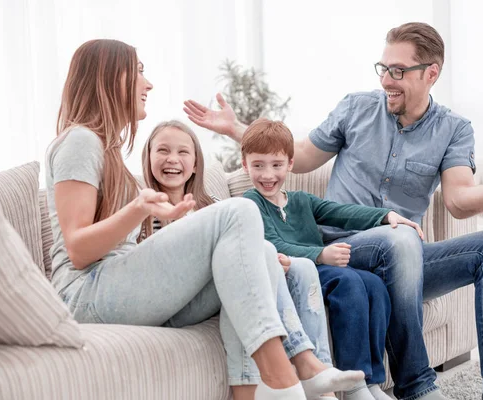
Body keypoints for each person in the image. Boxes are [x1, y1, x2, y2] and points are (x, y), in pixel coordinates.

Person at [184, 22, 483, 400]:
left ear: (431, 73)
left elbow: (459, 201)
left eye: (399, 71)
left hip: (407, 260)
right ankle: (416, 385)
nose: (387, 80)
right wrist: (238, 130)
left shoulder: (453, 129)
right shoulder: (356, 108)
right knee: (399, 238)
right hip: (343, 253)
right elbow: (298, 157)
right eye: (384, 69)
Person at [46, 38, 348, 400]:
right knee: (239, 211)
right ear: (111, 78)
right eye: (139, 71)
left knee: (261, 256)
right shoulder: (81, 140)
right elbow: (78, 249)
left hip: (116, 289)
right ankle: (287, 376)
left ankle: (256, 391)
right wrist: (139, 209)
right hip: (85, 295)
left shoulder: (105, 150)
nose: (148, 83)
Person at [140, 119, 364, 400]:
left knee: (280, 260)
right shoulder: (142, 208)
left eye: (183, 152)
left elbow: (242, 250)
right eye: (162, 150)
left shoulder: (213, 208)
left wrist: (266, 262)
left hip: (219, 288)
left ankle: (317, 376)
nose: (173, 159)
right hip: (176, 299)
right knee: (264, 258)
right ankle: (307, 366)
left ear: (196, 164)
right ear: (148, 157)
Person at [239, 118, 426, 400]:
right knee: (349, 282)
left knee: (375, 284)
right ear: (245, 165)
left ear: (290, 164)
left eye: (276, 165)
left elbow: (341, 212)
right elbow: (272, 243)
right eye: (258, 165)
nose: (268, 174)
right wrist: (320, 254)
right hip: (295, 273)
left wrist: (385, 216)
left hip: (323, 270)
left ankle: (371, 381)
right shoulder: (250, 202)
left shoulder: (301, 200)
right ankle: (353, 387)